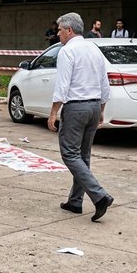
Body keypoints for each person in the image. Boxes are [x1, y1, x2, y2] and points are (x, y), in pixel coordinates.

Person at [48, 12, 113, 222]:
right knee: (83, 157)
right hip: (94, 106)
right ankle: (75, 201)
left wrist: (53, 113)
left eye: (60, 30)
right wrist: (101, 109)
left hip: (76, 107)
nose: (58, 34)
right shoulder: (94, 48)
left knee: (70, 154)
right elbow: (105, 82)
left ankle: (99, 195)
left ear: (69, 30)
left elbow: (62, 85)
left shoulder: (68, 51)